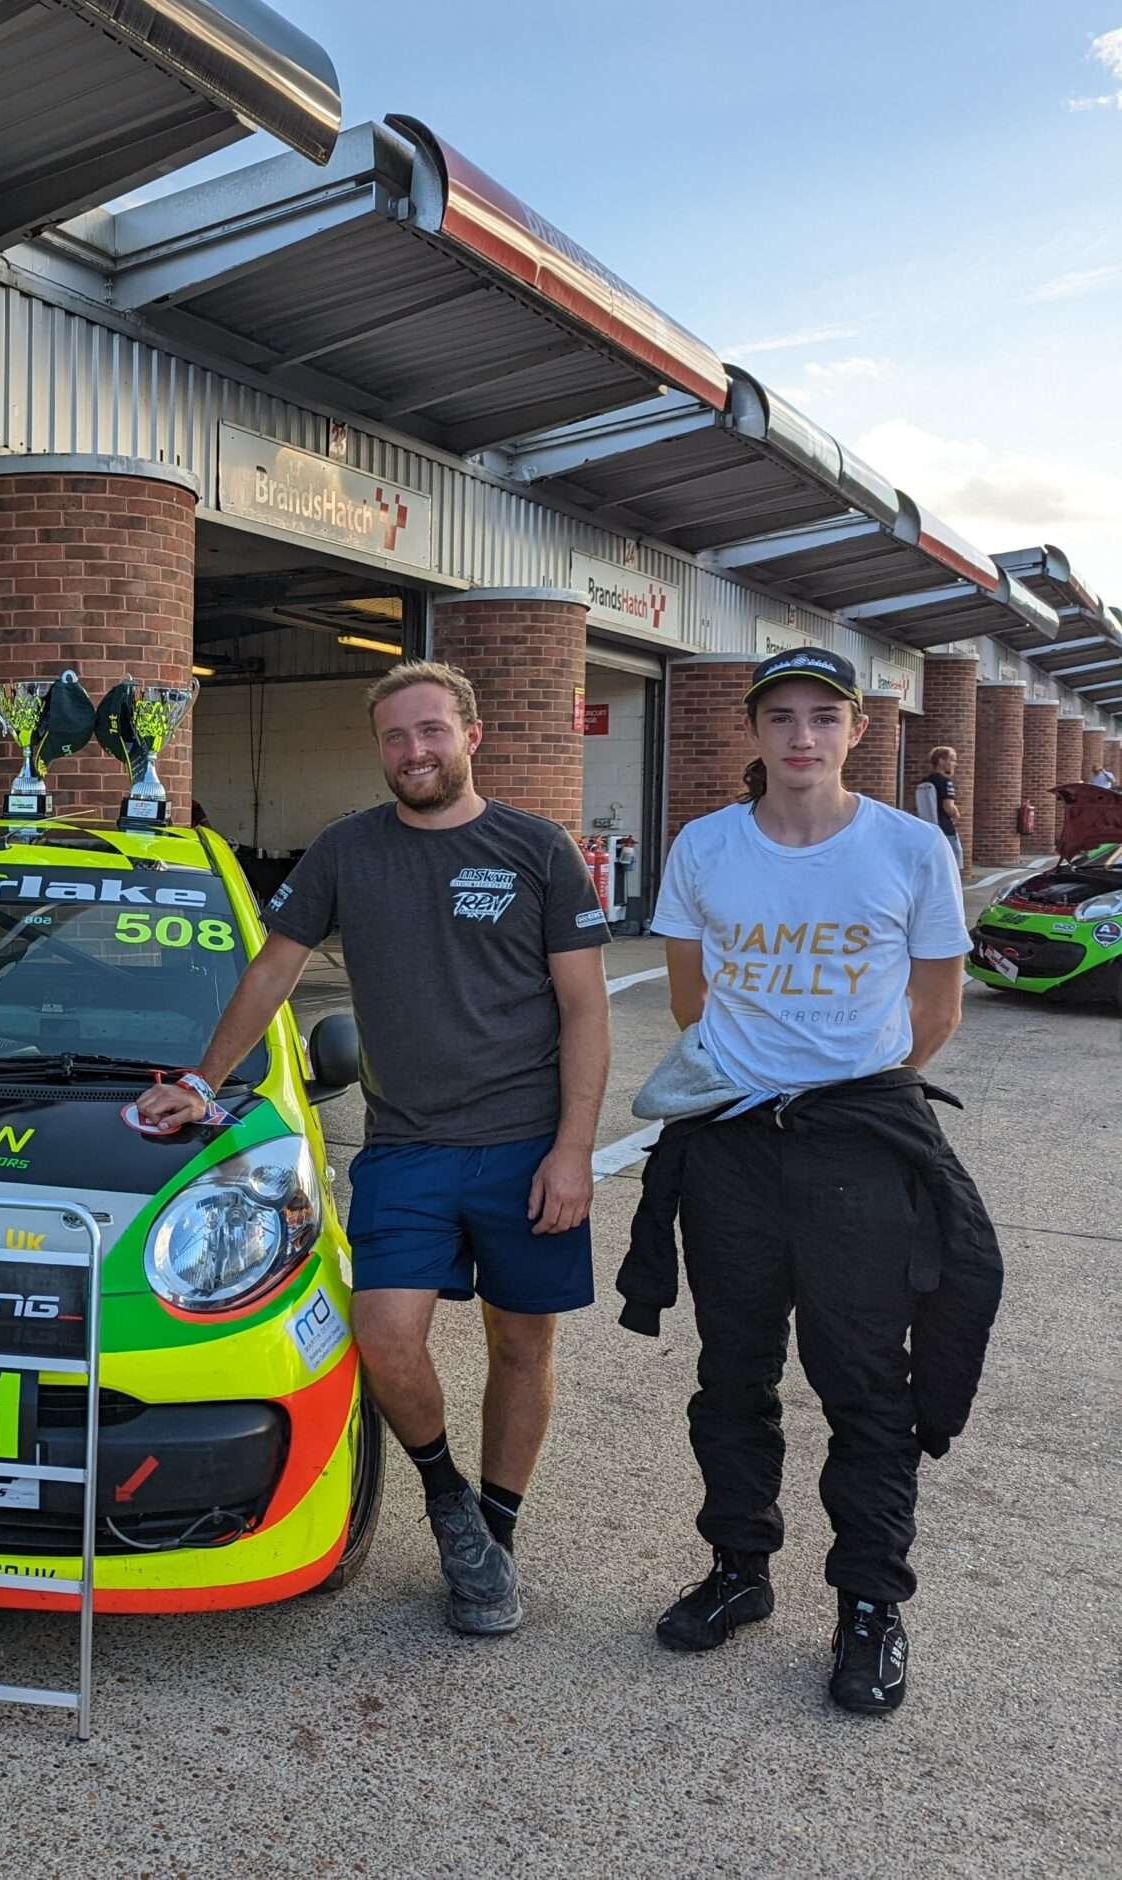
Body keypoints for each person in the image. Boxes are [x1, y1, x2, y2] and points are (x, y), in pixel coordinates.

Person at [135, 660, 611, 1636]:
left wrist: (573, 1151)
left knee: (521, 1345)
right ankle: (445, 1499)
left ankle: (496, 1537)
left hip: (525, 1147)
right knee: (384, 1335)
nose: (413, 751)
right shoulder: (347, 850)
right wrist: (198, 1079)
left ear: (470, 734)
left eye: (431, 730)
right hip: (406, 1148)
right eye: (395, 737)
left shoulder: (536, 848)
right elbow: (273, 969)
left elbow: (585, 1008)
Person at [628, 646, 998, 1715]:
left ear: (853, 732)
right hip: (733, 1151)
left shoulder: (908, 847)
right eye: (780, 716)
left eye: (823, 717)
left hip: (855, 1151)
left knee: (865, 1387)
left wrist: (847, 1096)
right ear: (752, 731)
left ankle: (869, 1606)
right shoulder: (704, 846)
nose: (801, 736)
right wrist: (765, 1081)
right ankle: (738, 1568)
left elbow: (937, 1009)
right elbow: (691, 1000)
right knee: (732, 1373)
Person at [911, 745, 964, 877]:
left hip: (927, 827)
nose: (955, 764)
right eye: (952, 760)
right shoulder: (946, 782)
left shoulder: (924, 782)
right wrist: (957, 813)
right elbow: (949, 807)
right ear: (941, 761)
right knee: (951, 865)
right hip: (945, 829)